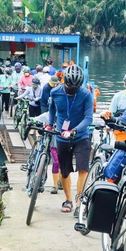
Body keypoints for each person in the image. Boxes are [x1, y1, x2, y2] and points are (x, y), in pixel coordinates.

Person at [47, 64, 94, 215]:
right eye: (68, 86)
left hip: (80, 136)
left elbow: (88, 118)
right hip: (62, 137)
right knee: (65, 171)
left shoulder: (86, 95)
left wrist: (75, 130)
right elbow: (52, 109)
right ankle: (68, 199)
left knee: (83, 168)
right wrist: (49, 123)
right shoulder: (55, 92)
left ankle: (79, 201)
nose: (71, 90)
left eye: (75, 87)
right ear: (64, 81)